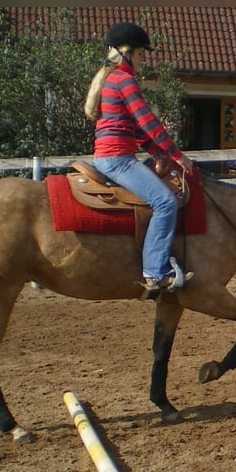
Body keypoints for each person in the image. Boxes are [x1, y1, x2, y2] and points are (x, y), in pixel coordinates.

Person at [84, 22, 195, 292]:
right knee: (165, 202)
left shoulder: (108, 79)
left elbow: (136, 130)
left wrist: (158, 152)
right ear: (127, 53)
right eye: (141, 55)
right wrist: (177, 155)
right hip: (118, 160)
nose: (142, 60)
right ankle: (155, 273)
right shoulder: (123, 79)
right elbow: (148, 122)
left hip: (110, 156)